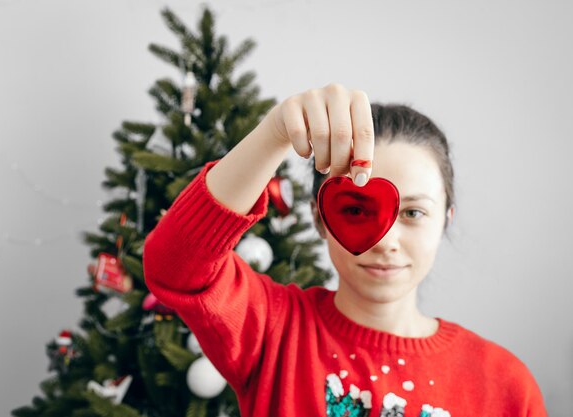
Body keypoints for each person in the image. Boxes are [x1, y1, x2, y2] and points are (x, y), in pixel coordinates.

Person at [142, 83, 548, 416]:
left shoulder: (505, 386)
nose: (386, 241)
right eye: (355, 209)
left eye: (413, 212)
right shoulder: (273, 331)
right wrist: (275, 133)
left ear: (447, 218)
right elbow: (174, 265)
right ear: (320, 218)